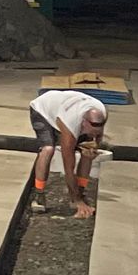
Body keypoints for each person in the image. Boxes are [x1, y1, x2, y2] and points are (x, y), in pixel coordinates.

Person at [28, 87, 107, 218]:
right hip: (43, 109)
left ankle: (80, 192)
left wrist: (93, 150)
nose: (94, 134)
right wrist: (77, 201)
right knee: (48, 149)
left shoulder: (101, 112)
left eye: (97, 131)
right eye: (91, 130)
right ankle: (39, 195)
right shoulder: (70, 123)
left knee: (87, 150)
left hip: (64, 106)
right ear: (83, 122)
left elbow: (97, 138)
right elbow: (68, 167)